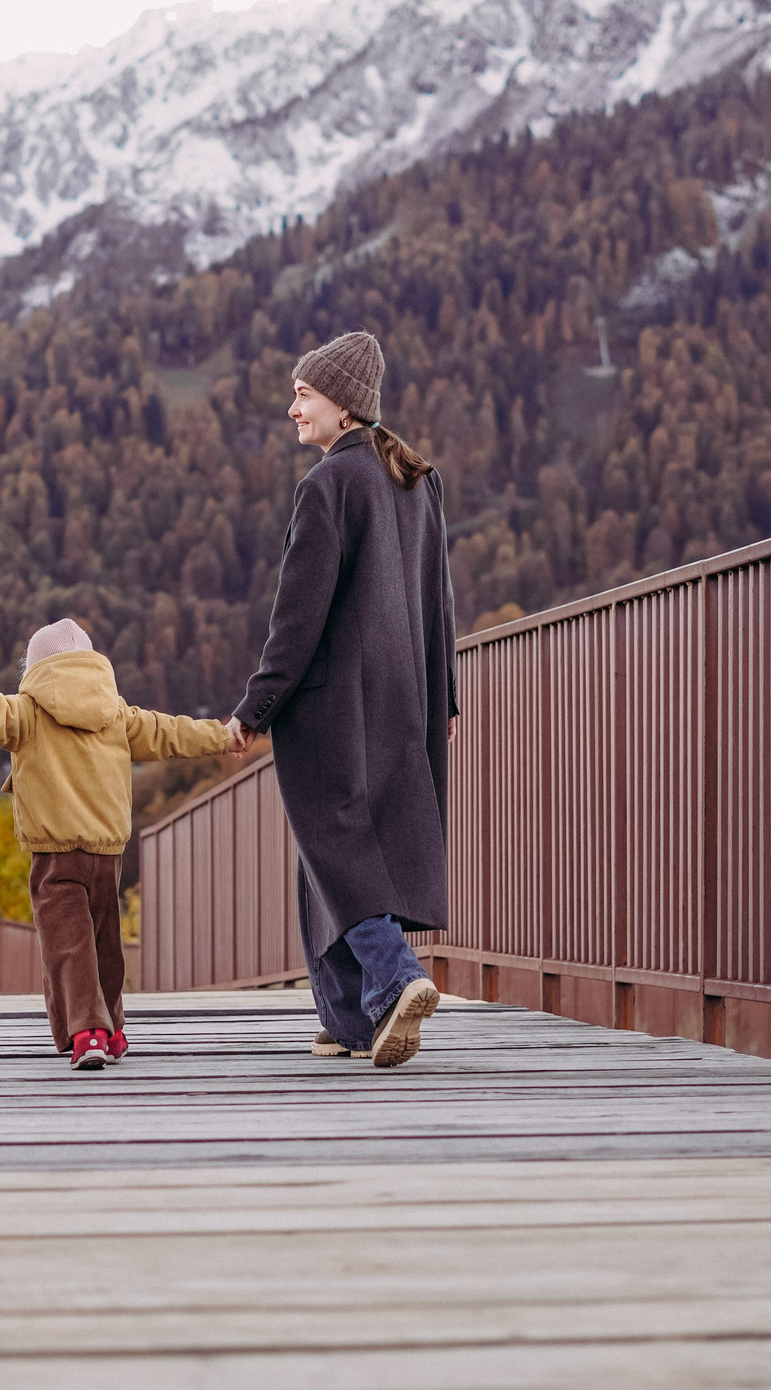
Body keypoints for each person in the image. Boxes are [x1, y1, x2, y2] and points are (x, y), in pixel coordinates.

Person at [226, 330, 457, 1068]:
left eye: (304, 393)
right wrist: (444, 697)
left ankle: (395, 978)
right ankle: (349, 1020)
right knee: (333, 853)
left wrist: (253, 710)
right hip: (402, 699)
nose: (293, 406)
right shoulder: (416, 479)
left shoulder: (327, 485)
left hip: (333, 707)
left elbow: (296, 623)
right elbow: (439, 602)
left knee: (337, 845)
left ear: (345, 407)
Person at [0, 618, 232, 1069]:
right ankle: (114, 1028)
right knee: (105, 942)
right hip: (108, 853)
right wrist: (224, 735)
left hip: (55, 852)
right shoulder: (118, 715)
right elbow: (170, 733)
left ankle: (88, 1033)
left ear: (37, 670)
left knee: (69, 945)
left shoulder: (28, 712)